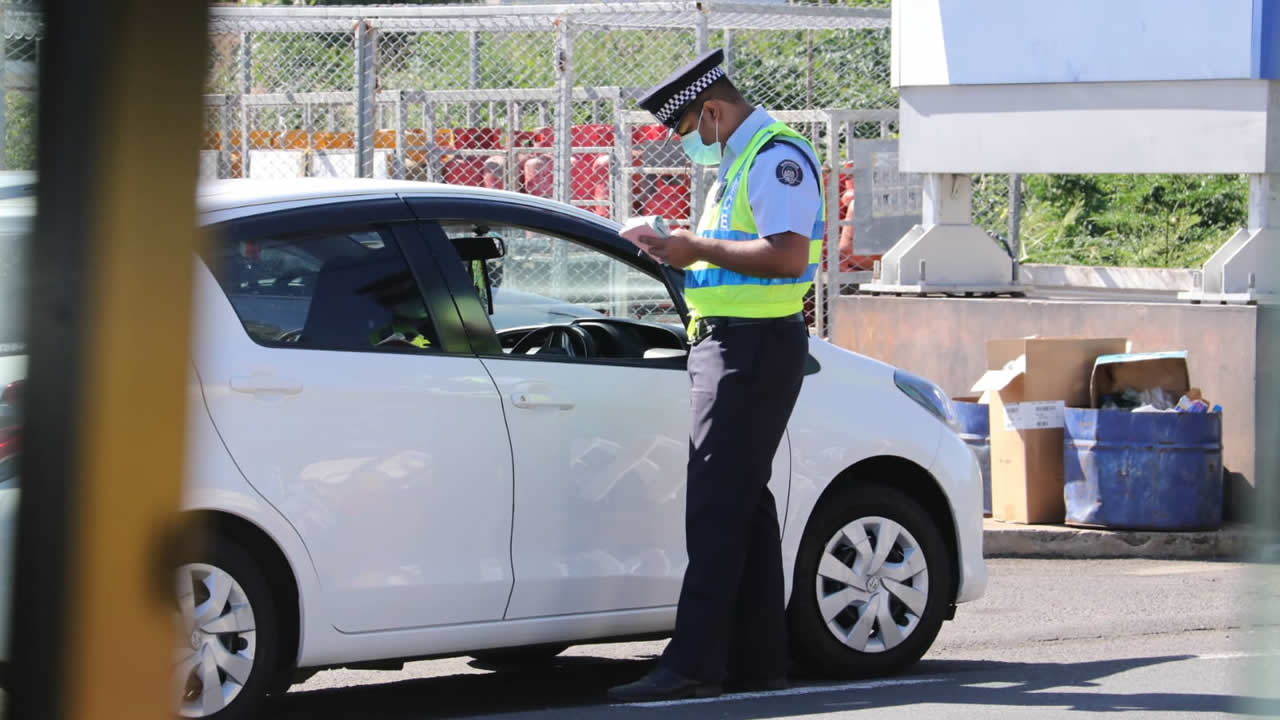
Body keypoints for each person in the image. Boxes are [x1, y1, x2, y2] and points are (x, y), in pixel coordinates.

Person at [608, 48, 825, 702]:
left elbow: (788, 256)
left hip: (751, 352)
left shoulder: (773, 158)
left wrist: (693, 247)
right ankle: (758, 660)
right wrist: (675, 256)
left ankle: (692, 665)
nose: (685, 147)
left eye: (685, 132)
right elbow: (733, 266)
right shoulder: (738, 163)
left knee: (714, 508)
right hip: (732, 347)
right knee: (743, 507)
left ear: (712, 110)